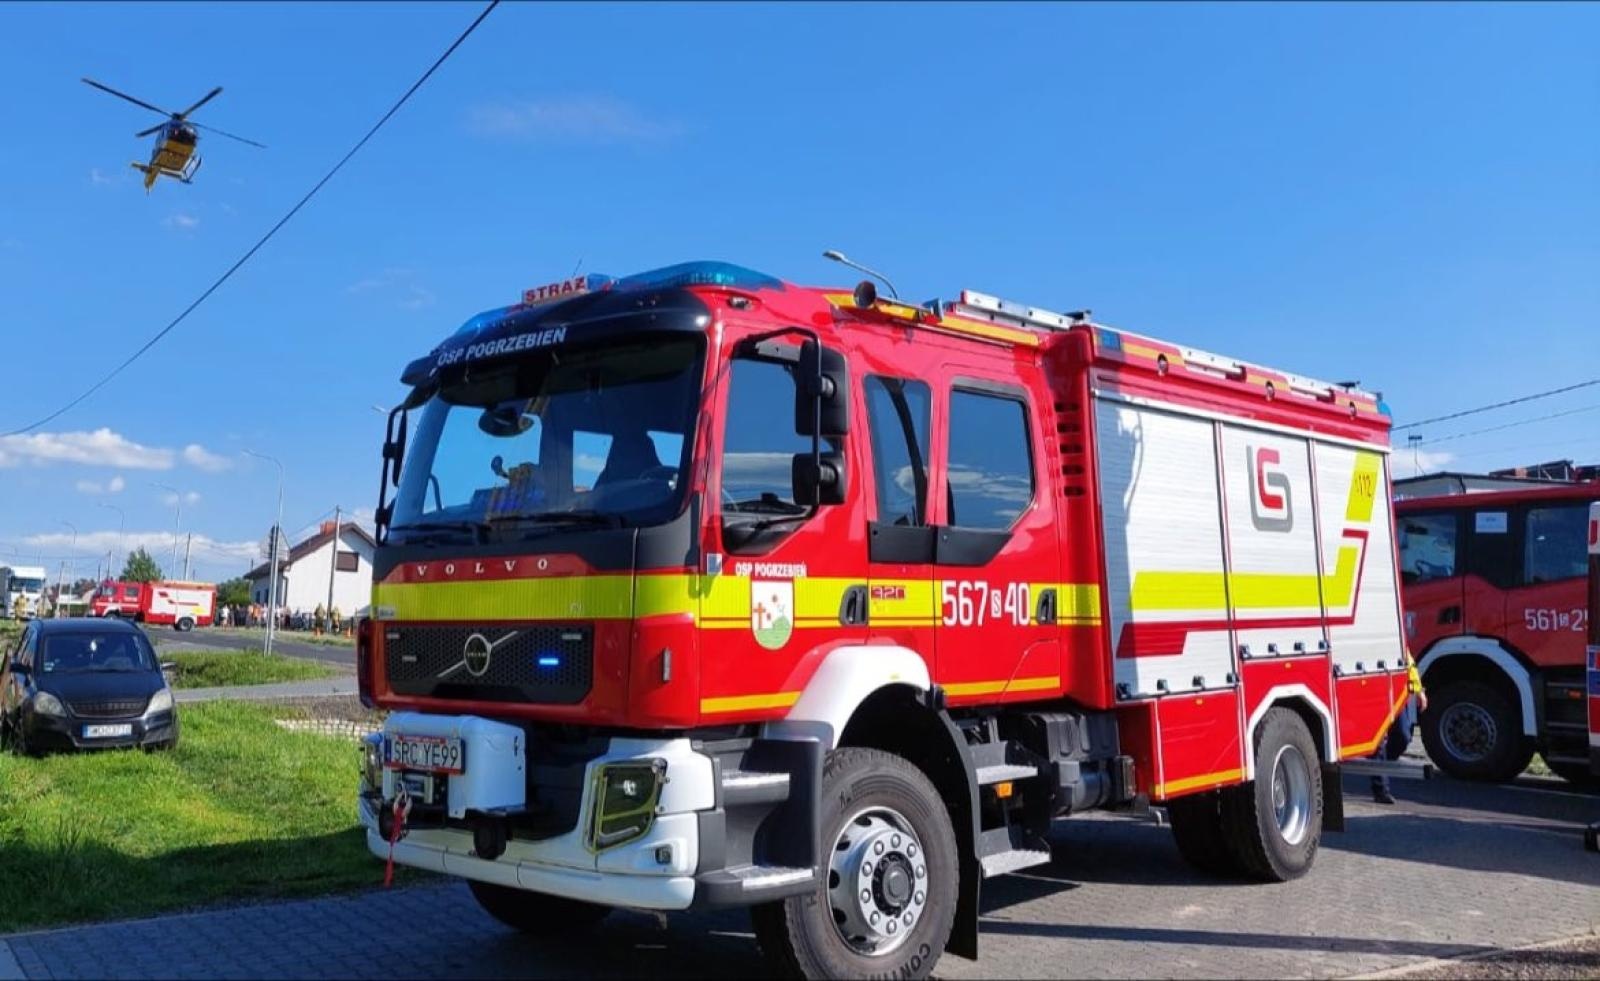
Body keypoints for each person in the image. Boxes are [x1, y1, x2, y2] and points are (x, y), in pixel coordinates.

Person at [1372, 650, 1428, 805]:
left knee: (1403, 736)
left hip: (1396, 691)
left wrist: (1418, 690)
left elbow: (1408, 662)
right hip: (1374, 688)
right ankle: (1381, 789)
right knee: (1379, 743)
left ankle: (1379, 766)